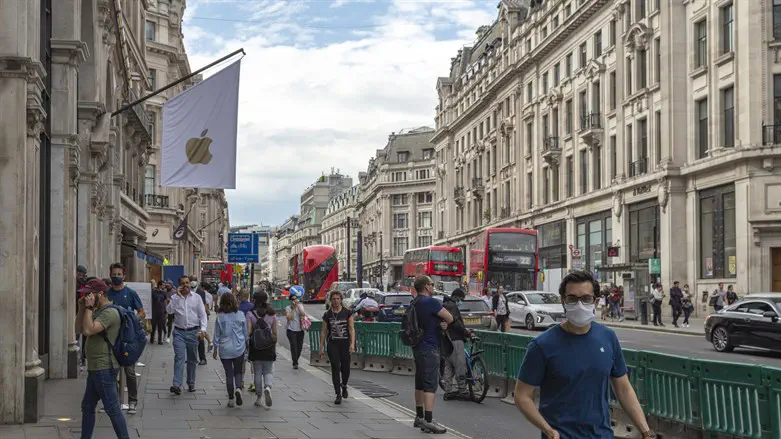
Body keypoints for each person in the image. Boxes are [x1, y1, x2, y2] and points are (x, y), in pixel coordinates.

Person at [514, 270, 653, 439]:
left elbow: (623, 389)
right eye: (572, 298)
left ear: (595, 302)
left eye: (586, 299)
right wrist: (548, 430)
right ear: (563, 301)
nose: (580, 305)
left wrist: (646, 432)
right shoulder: (542, 345)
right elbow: (522, 396)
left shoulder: (608, 337)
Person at [76, 278, 131, 439]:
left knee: (112, 409)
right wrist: (82, 308)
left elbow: (88, 330)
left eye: (89, 294)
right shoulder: (96, 310)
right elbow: (78, 328)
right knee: (87, 407)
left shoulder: (109, 313)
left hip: (104, 367)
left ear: (100, 294)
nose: (87, 297)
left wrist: (88, 307)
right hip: (95, 367)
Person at [410, 275, 453, 434]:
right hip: (430, 347)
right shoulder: (431, 302)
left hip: (417, 346)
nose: (433, 287)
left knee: (419, 382)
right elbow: (450, 317)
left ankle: (419, 416)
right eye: (432, 284)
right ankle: (428, 420)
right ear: (426, 287)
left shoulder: (414, 302)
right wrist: (444, 324)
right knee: (430, 385)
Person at [106, 262, 145, 415]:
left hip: (127, 338)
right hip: (110, 338)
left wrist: (132, 318)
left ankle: (133, 401)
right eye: (114, 274)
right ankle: (113, 401)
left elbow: (141, 312)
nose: (116, 277)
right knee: (111, 371)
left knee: (129, 371)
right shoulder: (107, 294)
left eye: (119, 274)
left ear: (124, 276)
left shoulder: (131, 293)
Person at [167, 275, 208, 395]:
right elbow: (169, 311)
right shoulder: (175, 297)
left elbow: (202, 315)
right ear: (179, 285)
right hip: (179, 332)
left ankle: (191, 383)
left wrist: (203, 329)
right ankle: (177, 384)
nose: (185, 285)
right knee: (179, 357)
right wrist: (176, 298)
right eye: (183, 283)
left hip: (193, 332)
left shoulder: (197, 298)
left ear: (190, 284)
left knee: (192, 359)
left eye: (187, 283)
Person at [319, 290, 356, 405]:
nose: (336, 301)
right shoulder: (327, 315)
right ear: (331, 300)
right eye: (334, 299)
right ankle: (338, 394)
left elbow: (351, 329)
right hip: (333, 344)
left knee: (345, 369)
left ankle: (344, 385)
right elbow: (324, 332)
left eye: (338, 299)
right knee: (335, 367)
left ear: (341, 300)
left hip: (345, 343)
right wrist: (321, 347)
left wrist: (352, 344)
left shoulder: (347, 312)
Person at [213, 292, 248, 408]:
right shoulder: (241, 315)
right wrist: (246, 343)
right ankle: (238, 388)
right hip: (239, 347)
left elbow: (216, 335)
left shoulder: (220, 316)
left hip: (225, 348)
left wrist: (215, 348)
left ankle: (231, 399)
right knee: (238, 371)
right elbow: (245, 332)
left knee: (228, 374)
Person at [440, 288, 472, 401]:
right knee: (460, 364)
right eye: (461, 299)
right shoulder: (452, 306)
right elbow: (455, 323)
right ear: (456, 297)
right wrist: (466, 332)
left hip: (446, 339)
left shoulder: (444, 305)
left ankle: (448, 391)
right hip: (455, 338)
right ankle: (462, 390)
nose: (461, 302)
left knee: (448, 366)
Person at [247, 291, 278, 408]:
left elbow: (249, 332)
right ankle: (268, 387)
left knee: (258, 372)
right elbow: (275, 333)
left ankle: (259, 397)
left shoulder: (250, 314)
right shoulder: (272, 314)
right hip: (269, 346)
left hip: (256, 347)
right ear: (266, 300)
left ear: (254, 300)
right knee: (268, 371)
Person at [285, 286, 307, 370]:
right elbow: (289, 317)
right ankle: (295, 363)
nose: (294, 300)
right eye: (293, 299)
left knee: (299, 347)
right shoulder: (288, 308)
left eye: (295, 299)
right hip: (291, 330)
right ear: (290, 300)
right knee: (294, 346)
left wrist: (298, 306)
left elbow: (303, 314)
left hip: (300, 330)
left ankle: (296, 359)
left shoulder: (300, 305)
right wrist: (293, 308)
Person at [150, 281, 168, 345]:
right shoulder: (153, 292)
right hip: (154, 311)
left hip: (161, 312)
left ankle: (159, 340)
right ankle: (152, 338)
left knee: (160, 326)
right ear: (159, 285)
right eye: (163, 285)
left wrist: (166, 310)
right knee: (153, 326)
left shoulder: (164, 293)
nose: (164, 286)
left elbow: (166, 301)